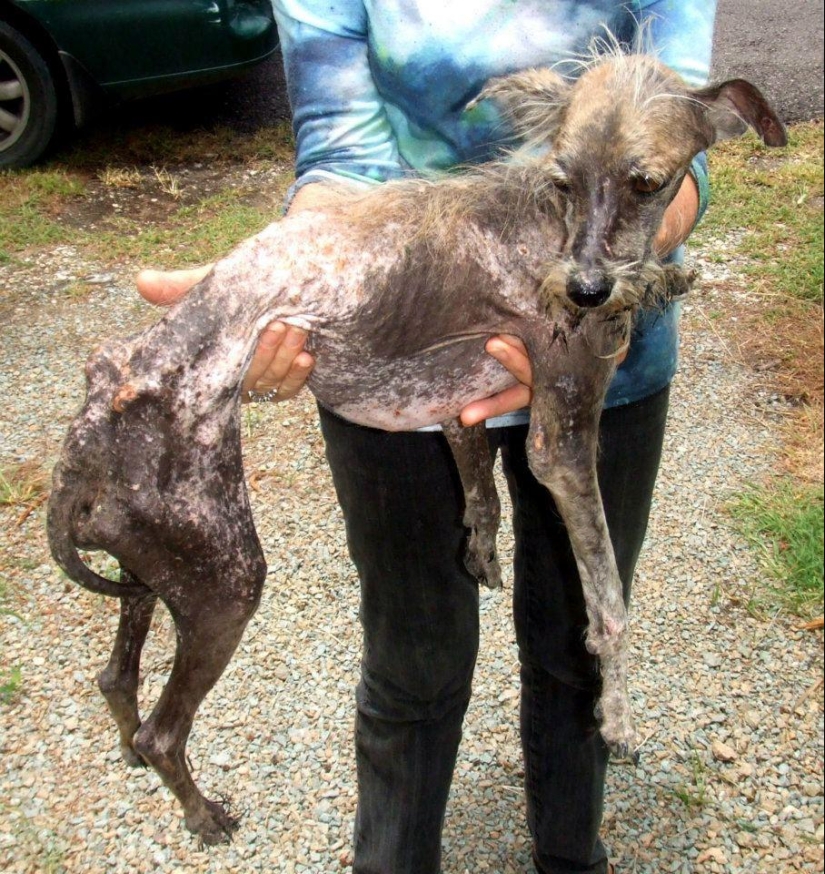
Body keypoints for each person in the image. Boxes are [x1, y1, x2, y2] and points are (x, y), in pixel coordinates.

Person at [137, 2, 717, 871]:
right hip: (407, 340)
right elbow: (339, 150)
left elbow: (681, 142)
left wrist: (607, 294)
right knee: (412, 663)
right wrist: (283, 281)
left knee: (573, 653)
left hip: (609, 354)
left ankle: (570, 855)